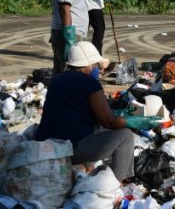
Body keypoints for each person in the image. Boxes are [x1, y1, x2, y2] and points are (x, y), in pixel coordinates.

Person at [35, 41, 160, 181]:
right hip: (67, 149)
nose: (99, 69)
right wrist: (137, 122)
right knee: (126, 136)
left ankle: (89, 169)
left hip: (44, 145)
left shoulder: (57, 79)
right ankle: (115, 185)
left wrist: (121, 113)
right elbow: (108, 122)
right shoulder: (89, 83)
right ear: (88, 65)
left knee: (90, 128)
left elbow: (85, 113)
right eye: (96, 65)